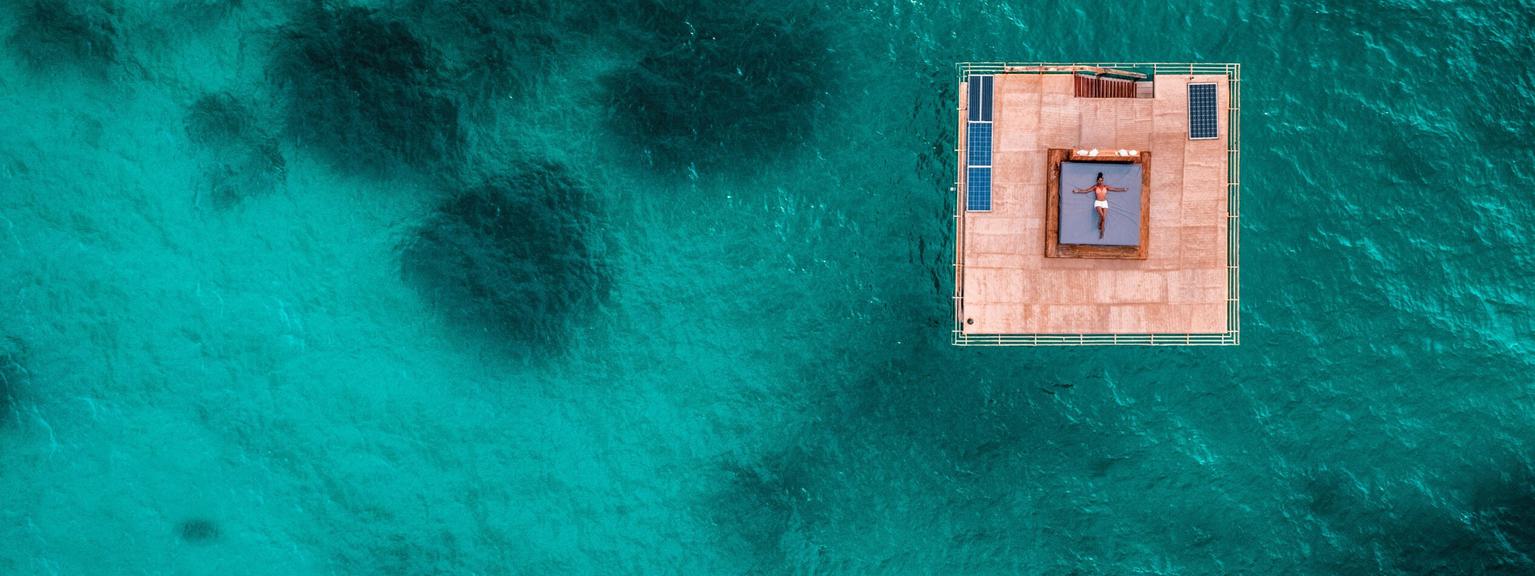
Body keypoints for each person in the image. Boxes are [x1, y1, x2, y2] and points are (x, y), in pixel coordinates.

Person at [1072, 172, 1127, 238]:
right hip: (1098, 203)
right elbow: (1086, 191)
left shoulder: (1106, 187)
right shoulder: (1095, 187)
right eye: (1099, 180)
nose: (1100, 182)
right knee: (1103, 217)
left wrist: (1123, 189)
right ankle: (1101, 229)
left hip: (1104, 203)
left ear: (1103, 180)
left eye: (1101, 180)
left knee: (1104, 218)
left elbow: (1115, 189)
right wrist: (1077, 191)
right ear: (1097, 181)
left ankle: (1101, 230)